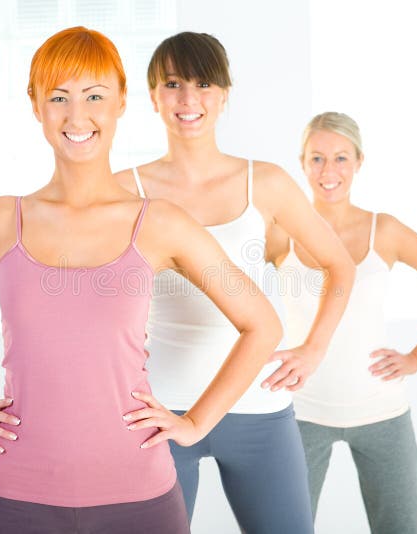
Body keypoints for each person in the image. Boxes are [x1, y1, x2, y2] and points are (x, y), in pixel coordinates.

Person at [0, 26, 284, 534]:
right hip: (15, 496)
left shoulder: (160, 222)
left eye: (95, 96)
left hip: (140, 495)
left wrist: (195, 423)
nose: (77, 116)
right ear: (35, 105)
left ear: (120, 102)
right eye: (59, 97)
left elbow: (262, 325)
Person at [113, 32, 355, 533]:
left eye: (203, 84)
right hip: (159, 408)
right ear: (153, 96)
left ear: (224, 93)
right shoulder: (122, 191)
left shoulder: (264, 182)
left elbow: (339, 264)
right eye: (173, 84)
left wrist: (314, 349)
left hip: (259, 407)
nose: (188, 99)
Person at [281, 112, 417, 533]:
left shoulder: (383, 231)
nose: (329, 171)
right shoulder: (281, 233)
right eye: (317, 158)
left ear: (359, 162)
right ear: (302, 162)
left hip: (382, 413)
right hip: (302, 414)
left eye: (341, 158)